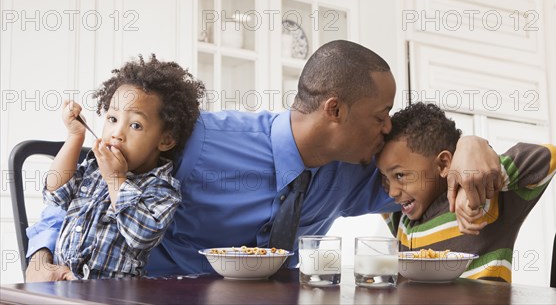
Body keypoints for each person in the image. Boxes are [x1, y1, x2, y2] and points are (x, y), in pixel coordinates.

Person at [26, 41, 501, 281]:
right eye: (379, 115)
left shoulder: (358, 171)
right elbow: (85, 191)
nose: (386, 127)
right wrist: (40, 256)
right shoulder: (199, 141)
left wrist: (471, 143)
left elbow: (428, 175)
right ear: (335, 110)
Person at [40, 55, 204, 279]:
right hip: (60, 287)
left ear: (165, 140)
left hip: (113, 295)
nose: (117, 133)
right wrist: (74, 137)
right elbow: (55, 193)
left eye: (135, 125)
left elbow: (142, 235)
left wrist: (115, 180)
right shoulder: (93, 169)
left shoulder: (162, 188)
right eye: (112, 119)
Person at [377, 102, 556, 282]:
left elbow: (550, 156)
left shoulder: (485, 201)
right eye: (386, 178)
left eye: (400, 175)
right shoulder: (401, 220)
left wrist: (472, 182)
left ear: (443, 164)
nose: (392, 191)